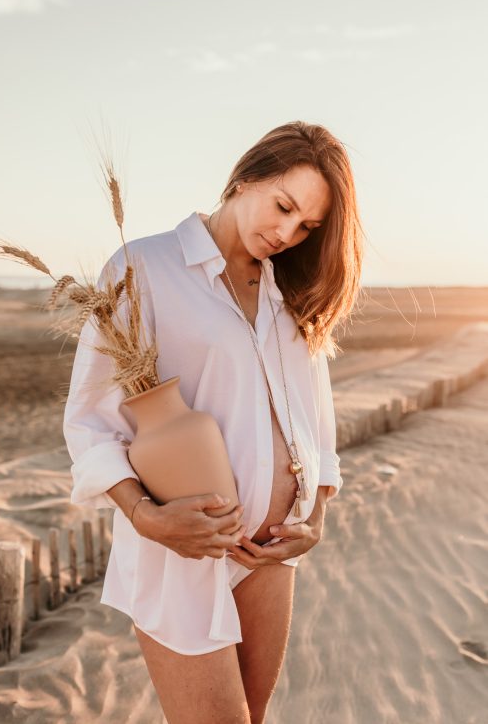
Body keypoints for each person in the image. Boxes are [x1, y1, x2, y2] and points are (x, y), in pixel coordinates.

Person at [62, 120, 364, 724]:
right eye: (282, 207)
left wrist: (317, 518)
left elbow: (316, 419)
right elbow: (92, 423)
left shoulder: (289, 291)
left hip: (269, 554)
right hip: (183, 555)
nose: (286, 233)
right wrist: (147, 518)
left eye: (306, 226)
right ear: (246, 176)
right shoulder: (143, 266)